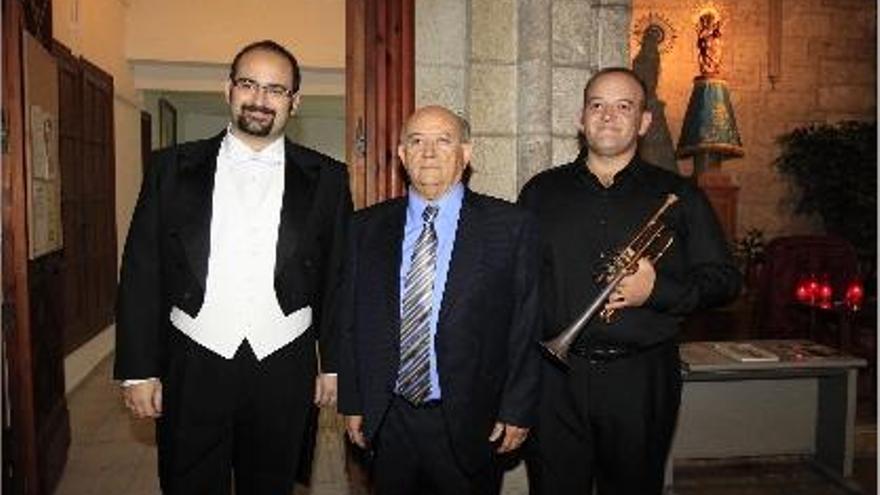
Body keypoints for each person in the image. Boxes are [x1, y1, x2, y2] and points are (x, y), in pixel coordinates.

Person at [114, 40, 352, 494]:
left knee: (272, 484)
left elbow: (338, 277)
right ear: (228, 89)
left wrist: (334, 364)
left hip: (284, 360)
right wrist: (140, 369)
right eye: (249, 84)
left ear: (294, 102)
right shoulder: (170, 168)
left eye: (276, 89)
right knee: (188, 482)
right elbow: (142, 270)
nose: (261, 99)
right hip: (194, 354)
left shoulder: (329, 178)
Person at [518, 68, 741, 494]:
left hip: (641, 378)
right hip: (554, 381)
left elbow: (726, 280)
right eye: (596, 105)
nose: (608, 116)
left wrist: (657, 291)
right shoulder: (540, 194)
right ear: (581, 119)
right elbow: (517, 287)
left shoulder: (680, 195)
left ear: (643, 122)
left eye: (624, 106)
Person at [339, 105, 541, 494]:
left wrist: (517, 407)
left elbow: (526, 325)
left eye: (443, 141)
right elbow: (350, 321)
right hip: (388, 417)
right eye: (416, 141)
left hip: (470, 419)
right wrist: (353, 400)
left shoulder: (511, 227)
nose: (428, 152)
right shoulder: (366, 228)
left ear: (466, 154)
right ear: (402, 155)